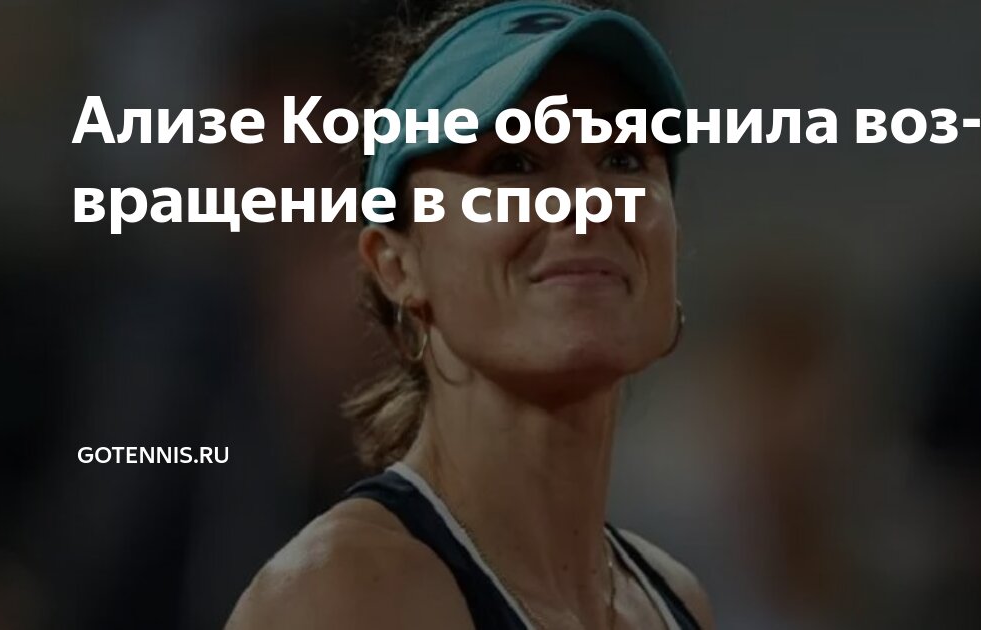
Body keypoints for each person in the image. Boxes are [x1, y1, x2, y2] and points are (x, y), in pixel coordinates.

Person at [227, 1, 714, 628]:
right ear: (397, 265)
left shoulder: (675, 600)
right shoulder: (343, 597)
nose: (590, 202)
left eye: (623, 158)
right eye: (513, 162)